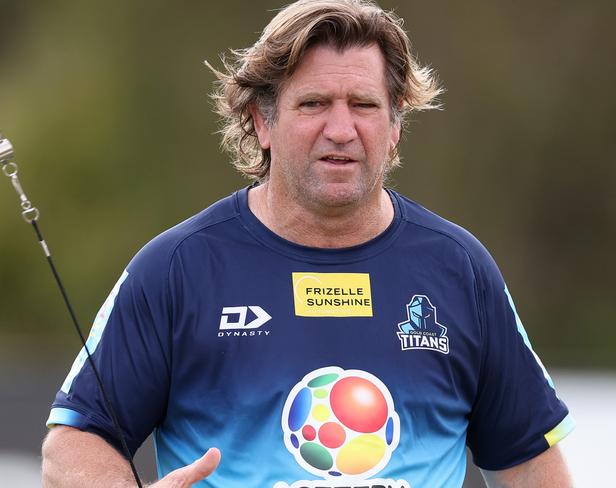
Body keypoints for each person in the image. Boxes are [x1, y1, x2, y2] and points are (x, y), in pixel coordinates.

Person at [41, 1, 575, 487]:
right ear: (262, 121)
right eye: (314, 103)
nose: (341, 129)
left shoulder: (461, 270)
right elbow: (72, 443)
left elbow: (531, 461)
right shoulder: (175, 269)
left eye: (364, 104)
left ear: (394, 127)